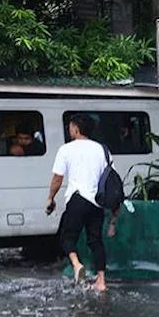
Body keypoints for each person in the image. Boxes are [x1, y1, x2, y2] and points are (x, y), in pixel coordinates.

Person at [46, 114, 117, 292]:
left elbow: (57, 178)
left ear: (76, 129)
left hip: (77, 199)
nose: (69, 130)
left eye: (70, 127)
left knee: (67, 237)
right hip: (97, 202)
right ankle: (101, 282)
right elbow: (110, 177)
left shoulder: (66, 149)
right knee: (95, 241)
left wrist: (51, 197)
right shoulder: (103, 150)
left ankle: (77, 264)